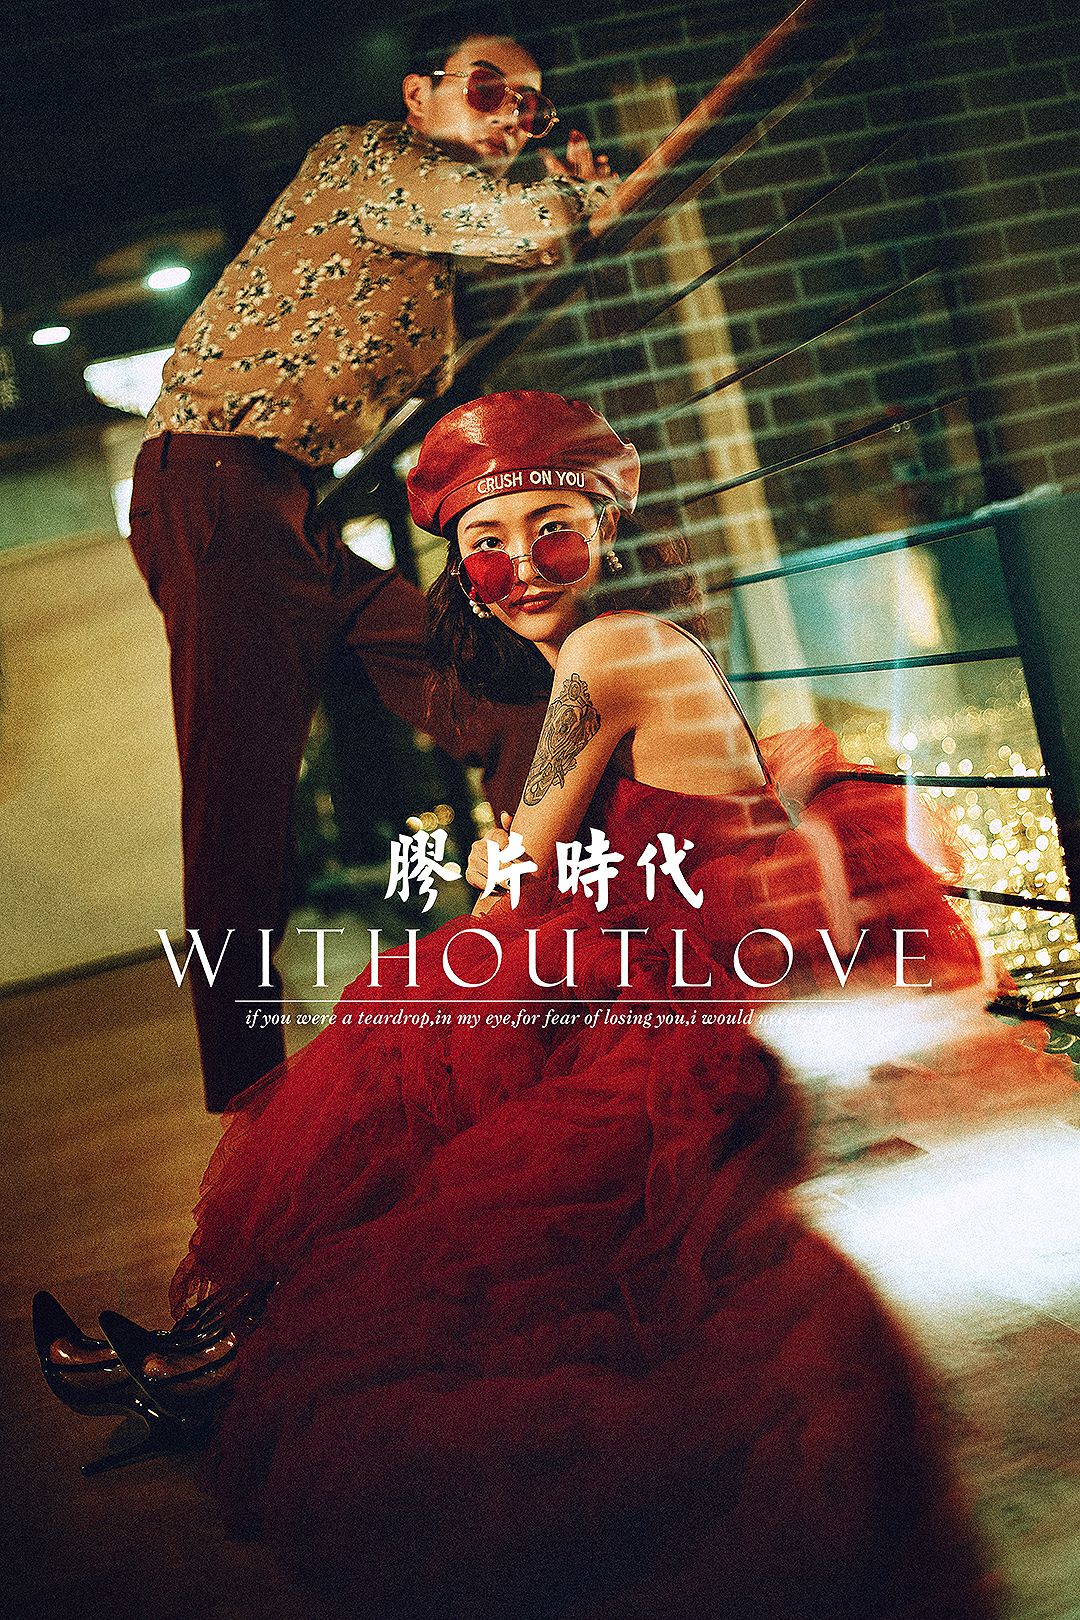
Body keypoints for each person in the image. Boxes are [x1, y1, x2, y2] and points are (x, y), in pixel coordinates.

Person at [40, 392, 1072, 1618]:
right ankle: (209, 1352)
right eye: (487, 545)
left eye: (554, 532)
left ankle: (213, 1357)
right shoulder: (611, 652)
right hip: (674, 975)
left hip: (692, 1010)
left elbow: (522, 873)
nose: (522, 567)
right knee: (425, 1043)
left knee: (415, 1038)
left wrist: (487, 921)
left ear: (608, 532)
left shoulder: (610, 652)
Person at [130, 26, 615, 1110]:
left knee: (508, 700)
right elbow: (516, 220)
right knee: (240, 801)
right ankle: (250, 1100)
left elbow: (509, 232)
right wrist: (584, 194)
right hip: (215, 487)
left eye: (532, 108)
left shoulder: (426, 244)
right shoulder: (368, 160)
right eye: (489, 90)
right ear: (418, 94)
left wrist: (565, 206)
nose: (512, 118)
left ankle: (554, 969)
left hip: (285, 507)